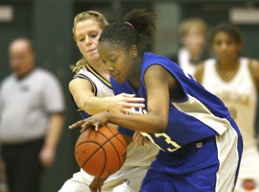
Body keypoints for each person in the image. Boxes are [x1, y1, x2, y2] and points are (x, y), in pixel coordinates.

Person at [69, 9, 243, 192]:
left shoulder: (154, 70)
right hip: (174, 154)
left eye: (113, 59)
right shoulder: (119, 80)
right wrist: (103, 174)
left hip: (211, 145)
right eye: (104, 61)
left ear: (132, 51)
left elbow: (158, 121)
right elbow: (127, 133)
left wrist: (108, 116)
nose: (109, 67)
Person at [58, 10, 159, 192]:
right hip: (105, 159)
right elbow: (87, 102)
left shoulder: (135, 66)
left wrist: (146, 124)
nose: (88, 41)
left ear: (106, 34)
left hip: (146, 163)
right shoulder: (81, 81)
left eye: (93, 35)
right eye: (81, 39)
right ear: (78, 46)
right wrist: (110, 104)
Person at [194, 23, 259, 192]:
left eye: (229, 42)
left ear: (239, 45)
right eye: (219, 42)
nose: (224, 47)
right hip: (215, 154)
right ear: (212, 46)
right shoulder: (203, 70)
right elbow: (186, 109)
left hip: (247, 152)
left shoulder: (253, 69)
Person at [0, 38, 65, 192]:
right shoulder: (6, 85)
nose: (16, 62)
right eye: (13, 57)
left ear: (32, 55)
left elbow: (57, 115)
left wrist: (49, 148)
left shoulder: (45, 81)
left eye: (21, 57)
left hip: (31, 149)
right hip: (8, 150)